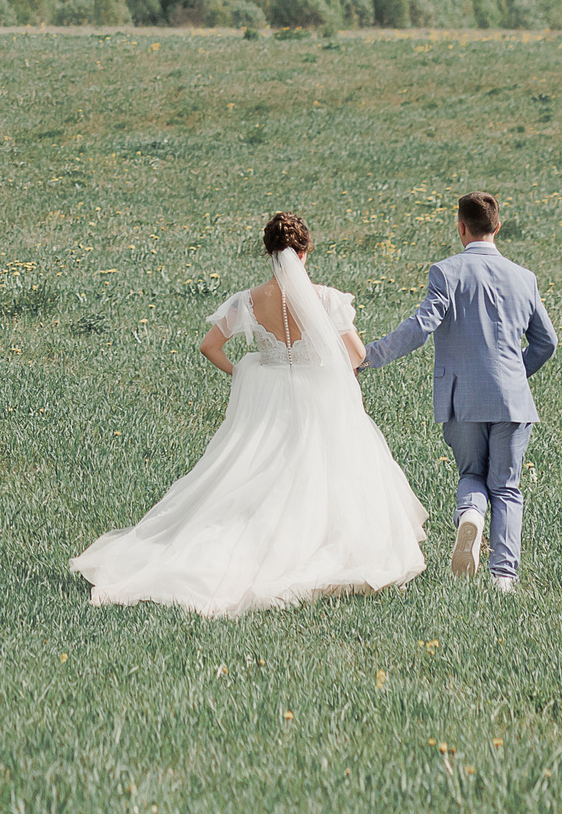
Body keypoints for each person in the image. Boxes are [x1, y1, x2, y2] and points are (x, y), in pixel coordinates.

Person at [70, 213, 428, 617]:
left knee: (257, 467)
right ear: (305, 251)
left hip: (270, 394)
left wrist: (243, 370)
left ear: (269, 253)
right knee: (324, 469)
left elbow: (210, 346)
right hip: (317, 397)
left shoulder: (249, 300)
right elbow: (357, 355)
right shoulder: (327, 299)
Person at [359, 191, 556, 591]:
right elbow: (546, 342)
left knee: (471, 474)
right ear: (497, 227)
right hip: (513, 402)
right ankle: (504, 576)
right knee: (507, 487)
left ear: (460, 227)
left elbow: (420, 327)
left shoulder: (446, 272)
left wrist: (369, 356)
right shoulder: (525, 277)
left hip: (461, 398)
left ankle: (470, 516)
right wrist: (517, 374)